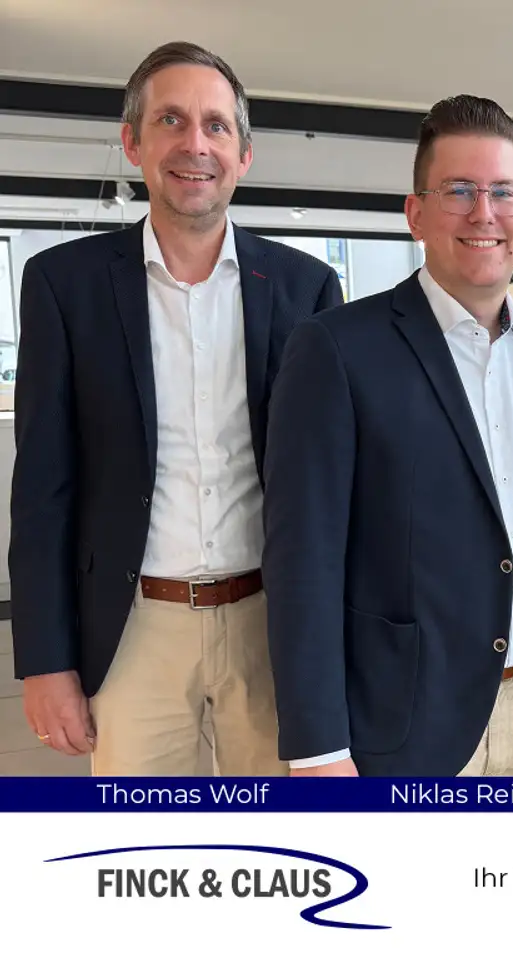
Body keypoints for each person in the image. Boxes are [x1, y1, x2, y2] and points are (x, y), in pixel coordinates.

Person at [10, 41, 342, 774]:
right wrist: (45, 660)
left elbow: (328, 487)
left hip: (272, 626)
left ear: (243, 154)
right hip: (132, 630)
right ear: (134, 143)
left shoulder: (307, 290)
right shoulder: (64, 285)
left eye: (217, 125)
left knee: (284, 834)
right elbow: (42, 488)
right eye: (171, 120)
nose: (196, 144)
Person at [262, 95, 513, 777]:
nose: (484, 213)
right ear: (415, 213)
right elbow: (304, 561)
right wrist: (319, 746)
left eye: (503, 193)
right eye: (459, 191)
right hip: (406, 725)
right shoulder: (337, 348)